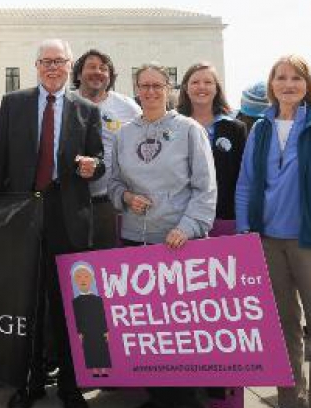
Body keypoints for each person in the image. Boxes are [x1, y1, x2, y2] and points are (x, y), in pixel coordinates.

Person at [0, 39, 103, 408]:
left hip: (67, 215)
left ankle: (71, 386)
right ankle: (29, 382)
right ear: (36, 65)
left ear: (70, 66)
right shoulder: (14, 104)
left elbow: (98, 158)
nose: (52, 67)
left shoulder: (86, 109)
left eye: (59, 61)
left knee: (70, 305)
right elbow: (0, 161)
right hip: (24, 213)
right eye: (46, 61)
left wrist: (94, 165)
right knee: (27, 305)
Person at [235, 54, 311, 408]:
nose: (288, 84)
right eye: (281, 77)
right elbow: (246, 184)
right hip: (269, 243)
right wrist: (245, 236)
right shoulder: (260, 128)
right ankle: (290, 399)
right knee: (283, 329)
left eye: (296, 78)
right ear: (271, 85)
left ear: (308, 85)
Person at [108, 62, 216, 408]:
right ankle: (156, 396)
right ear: (136, 90)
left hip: (177, 242)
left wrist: (186, 228)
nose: (151, 91)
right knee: (146, 331)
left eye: (158, 85)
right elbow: (113, 183)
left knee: (179, 331)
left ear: (168, 89)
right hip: (135, 240)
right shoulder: (124, 133)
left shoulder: (188, 130)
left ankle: (186, 399)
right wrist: (125, 197)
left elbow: (205, 188)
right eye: (145, 86)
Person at [71, 49, 141, 249]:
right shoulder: (66, 102)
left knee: (108, 264)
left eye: (103, 69)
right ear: (78, 74)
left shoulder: (127, 107)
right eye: (91, 67)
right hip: (71, 202)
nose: (98, 72)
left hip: (110, 203)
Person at [177, 62, 246, 224]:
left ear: (217, 88)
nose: (202, 87)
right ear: (186, 88)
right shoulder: (173, 126)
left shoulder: (235, 128)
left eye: (208, 82)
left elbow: (242, 177)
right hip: (180, 217)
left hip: (224, 215)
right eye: (195, 82)